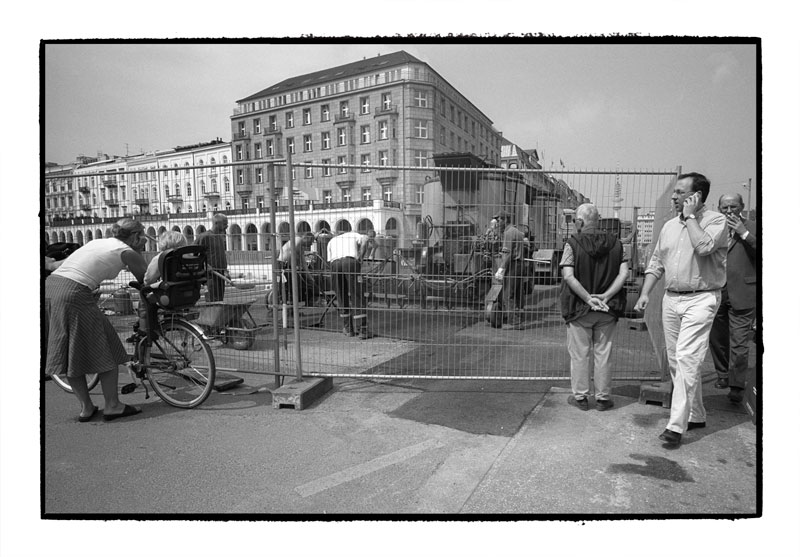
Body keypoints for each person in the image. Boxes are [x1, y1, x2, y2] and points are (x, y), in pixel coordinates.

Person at [634, 172, 727, 447]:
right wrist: (645, 293)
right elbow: (656, 263)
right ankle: (696, 413)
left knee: (688, 358)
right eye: (674, 192)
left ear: (697, 196)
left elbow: (705, 246)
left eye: (680, 192)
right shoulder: (668, 227)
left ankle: (676, 425)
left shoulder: (716, 221)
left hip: (702, 297)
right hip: (671, 299)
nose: (674, 197)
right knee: (676, 359)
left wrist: (690, 218)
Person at [45, 218, 148, 422]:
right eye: (143, 236)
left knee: (68, 348)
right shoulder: (126, 251)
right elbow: (147, 279)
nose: (145, 240)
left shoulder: (97, 243)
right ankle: (112, 406)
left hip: (52, 288)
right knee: (106, 346)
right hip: (74, 293)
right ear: (136, 236)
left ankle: (86, 407)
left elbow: (60, 265)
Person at [559, 203, 629, 411]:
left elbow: (568, 275)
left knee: (580, 354)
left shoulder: (572, 244)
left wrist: (588, 298)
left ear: (579, 222)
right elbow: (624, 274)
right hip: (608, 309)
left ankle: (581, 397)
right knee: (603, 353)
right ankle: (603, 398)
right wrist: (606, 296)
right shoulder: (617, 244)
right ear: (598, 220)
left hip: (579, 308)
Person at [709, 193, 758, 403]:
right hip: (717, 290)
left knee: (739, 343)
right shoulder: (713, 228)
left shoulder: (754, 227)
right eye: (725, 207)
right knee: (717, 338)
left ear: (742, 207)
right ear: (719, 208)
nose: (729, 211)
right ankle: (722, 375)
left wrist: (744, 233)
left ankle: (737, 385)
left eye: (734, 207)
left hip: (743, 291)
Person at [327, 230, 374, 339]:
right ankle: (362, 330)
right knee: (356, 295)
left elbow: (330, 261)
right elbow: (366, 239)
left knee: (341, 295)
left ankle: (348, 329)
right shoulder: (353, 234)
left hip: (335, 265)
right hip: (350, 262)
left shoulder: (332, 240)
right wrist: (360, 257)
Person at [493, 211, 528, 329]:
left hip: (513, 266)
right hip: (520, 265)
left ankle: (514, 322)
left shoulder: (508, 233)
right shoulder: (518, 232)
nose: (497, 223)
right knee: (518, 293)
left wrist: (501, 269)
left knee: (508, 295)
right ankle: (520, 317)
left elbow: (507, 254)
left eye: (499, 220)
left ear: (505, 220)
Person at [277, 231, 315, 306]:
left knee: (289, 286)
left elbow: (301, 260)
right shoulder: (298, 241)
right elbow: (299, 259)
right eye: (311, 241)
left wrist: (308, 275)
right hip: (285, 265)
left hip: (284, 264)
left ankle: (290, 305)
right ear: (307, 238)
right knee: (293, 286)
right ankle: (290, 305)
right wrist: (310, 277)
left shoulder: (297, 242)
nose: (311, 244)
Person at [196, 213, 228, 302]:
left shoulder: (220, 237)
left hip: (221, 276)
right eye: (225, 223)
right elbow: (192, 254)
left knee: (219, 301)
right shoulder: (204, 237)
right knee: (212, 302)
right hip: (210, 277)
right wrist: (204, 266)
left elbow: (221, 256)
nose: (227, 226)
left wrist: (225, 270)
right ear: (216, 223)